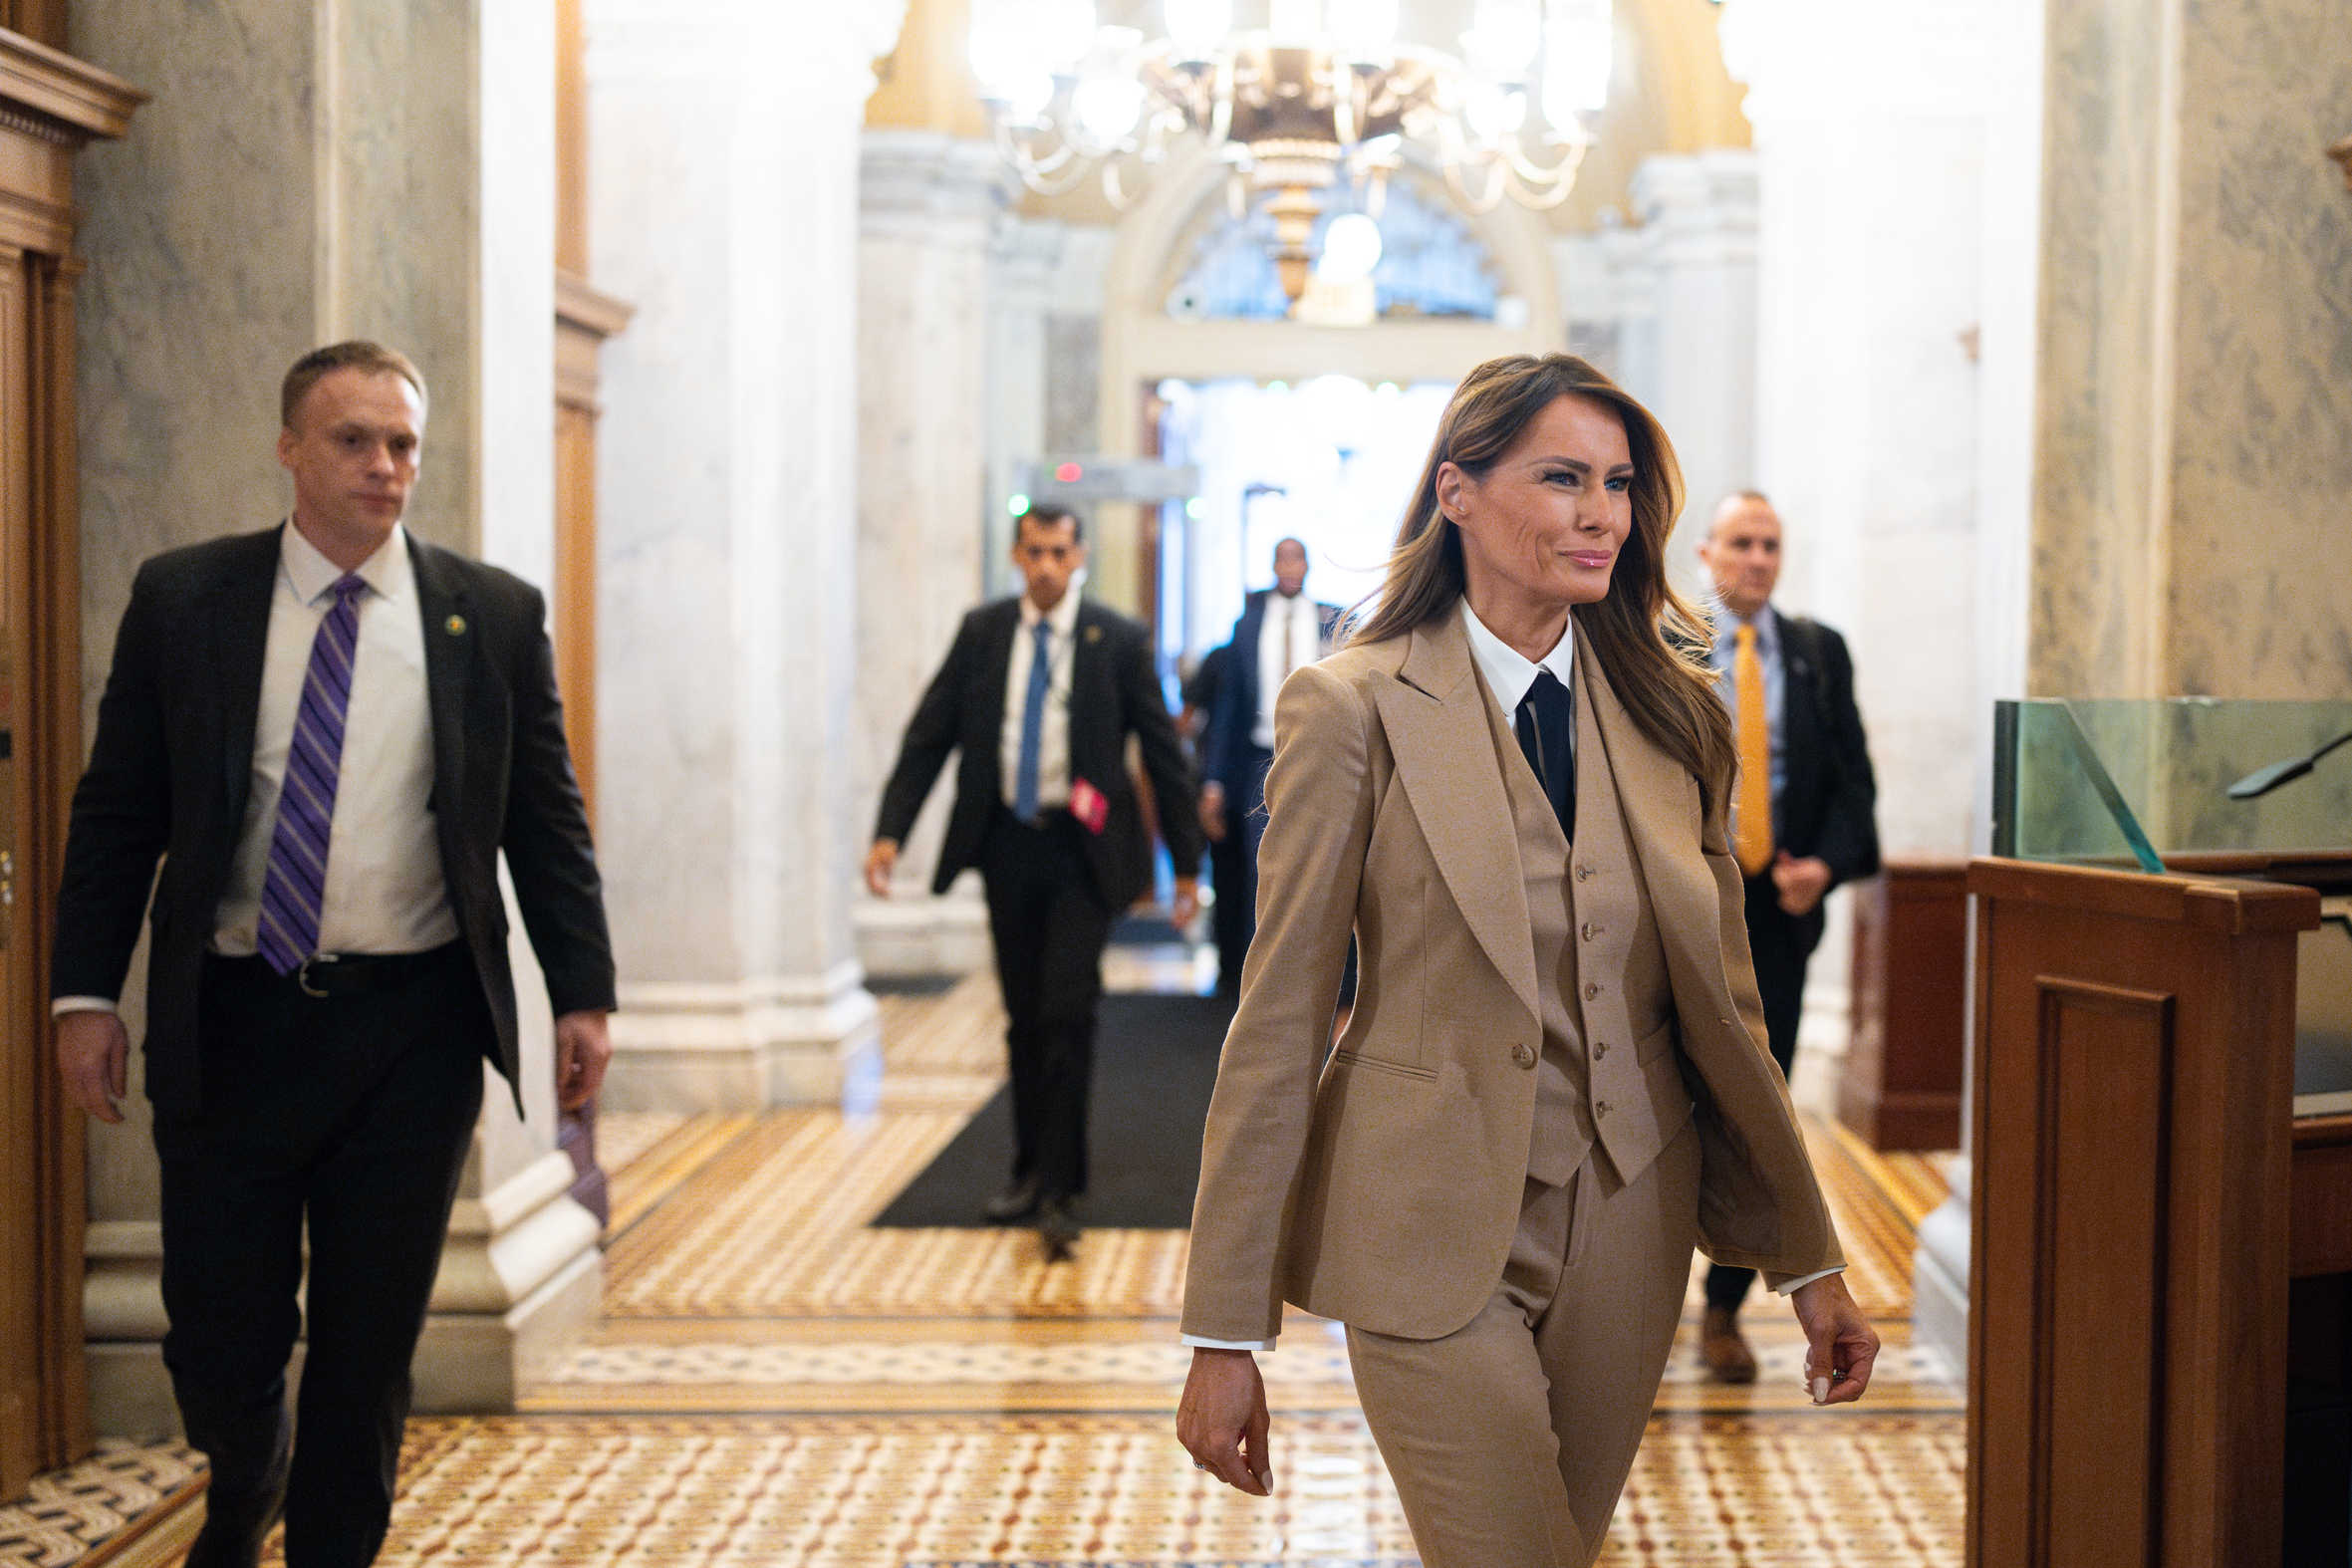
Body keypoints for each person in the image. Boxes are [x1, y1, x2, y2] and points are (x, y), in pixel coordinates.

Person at [1176, 354, 1878, 1567]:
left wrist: (1805, 1255)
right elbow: (1279, 1017)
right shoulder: (1349, 708)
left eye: (1616, 482)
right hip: (1423, 1223)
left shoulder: (1674, 713)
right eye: (1562, 478)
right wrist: (1224, 1330)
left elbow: (1728, 1007)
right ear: (1458, 491)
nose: (1601, 511)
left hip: (1630, 1217)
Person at [51, 341, 616, 1568]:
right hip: (236, 1019)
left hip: (407, 1033)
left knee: (368, 1351)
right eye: (354, 439)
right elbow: (117, 813)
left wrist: (584, 995)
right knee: (217, 1336)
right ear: (290, 447)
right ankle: (247, 1465)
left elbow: (545, 820)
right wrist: (85, 991)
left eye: (403, 442)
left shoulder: (491, 614)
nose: (383, 465)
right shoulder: (187, 599)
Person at [865, 503, 1204, 1257]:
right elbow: (930, 735)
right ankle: (1025, 1172)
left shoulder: (1116, 638)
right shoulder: (983, 634)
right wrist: (891, 830)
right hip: (1007, 847)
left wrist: (1185, 864)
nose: (1045, 566)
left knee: (1065, 1011)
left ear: (1077, 555)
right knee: (1022, 1016)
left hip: (1080, 855)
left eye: (1058, 551)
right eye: (1033, 552)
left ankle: (1062, 1182)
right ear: (1017, 556)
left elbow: (1159, 749)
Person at [1690, 488, 1880, 1382]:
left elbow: (1853, 786)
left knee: (1758, 1114)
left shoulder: (1815, 655)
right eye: (1740, 542)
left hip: (1778, 914)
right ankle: (1628, 1297)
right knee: (1666, 1107)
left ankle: (1722, 1311)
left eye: (1769, 544)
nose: (1756, 558)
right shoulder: (1664, 649)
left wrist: (1826, 867)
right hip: (1681, 908)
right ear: (1704, 553)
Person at [1195, 536, 1342, 998]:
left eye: (1297, 558)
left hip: (1318, 755)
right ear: (1273, 566)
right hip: (1257, 756)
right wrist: (1214, 778)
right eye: (1283, 559)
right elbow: (1227, 706)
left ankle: (1316, 974)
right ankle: (1258, 976)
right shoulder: (1249, 622)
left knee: (1320, 863)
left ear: (1307, 566)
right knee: (1259, 867)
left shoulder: (1332, 620)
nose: (1290, 567)